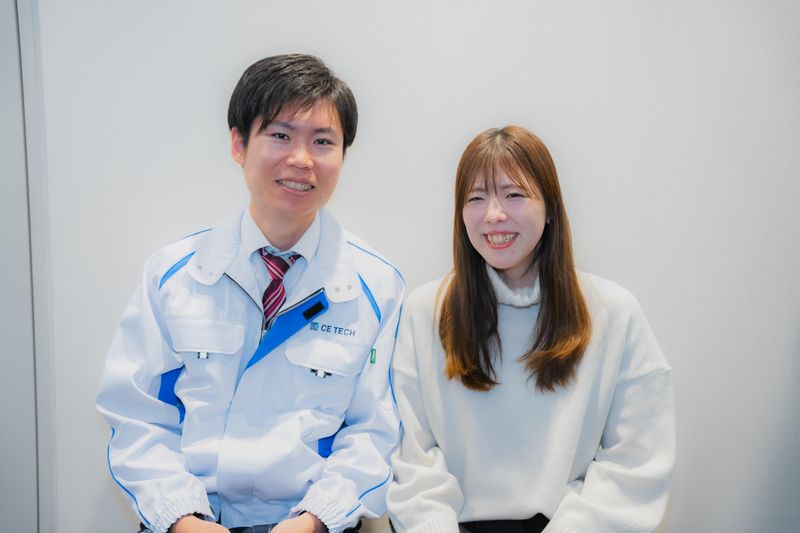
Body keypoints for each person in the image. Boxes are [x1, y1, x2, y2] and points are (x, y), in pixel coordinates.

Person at [97, 54, 404, 533]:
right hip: (188, 519)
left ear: (343, 155)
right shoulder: (173, 275)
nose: (301, 159)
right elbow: (137, 416)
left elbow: (374, 431)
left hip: (314, 524)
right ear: (239, 144)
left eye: (323, 141)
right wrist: (181, 517)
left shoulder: (376, 286)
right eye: (280, 135)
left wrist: (315, 519)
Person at [386, 126, 675, 533]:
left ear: (550, 207)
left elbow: (636, 462)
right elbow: (412, 459)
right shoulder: (425, 312)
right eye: (476, 198)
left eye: (514, 195)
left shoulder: (613, 313)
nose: (493, 214)